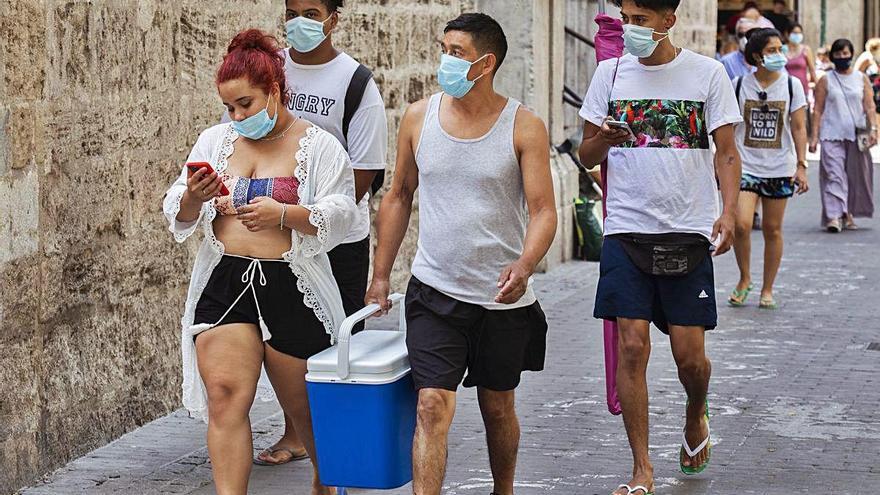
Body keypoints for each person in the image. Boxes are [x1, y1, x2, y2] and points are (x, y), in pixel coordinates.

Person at [364, 13, 557, 495]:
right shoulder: (417, 117)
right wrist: (381, 275)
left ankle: (503, 490)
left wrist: (525, 263)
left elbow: (543, 210)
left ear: (486, 63)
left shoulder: (524, 126)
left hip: (500, 299)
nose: (444, 60)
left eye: (457, 52)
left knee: (498, 407)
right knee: (431, 405)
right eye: (443, 48)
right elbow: (398, 196)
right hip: (434, 292)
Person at [163, 30, 356, 495]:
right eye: (229, 107)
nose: (236, 116)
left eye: (245, 104)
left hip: (291, 282)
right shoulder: (215, 141)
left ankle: (325, 484)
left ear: (274, 91)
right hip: (226, 279)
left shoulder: (319, 146)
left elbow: (344, 214)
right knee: (226, 397)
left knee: (304, 408)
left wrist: (285, 214)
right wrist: (193, 196)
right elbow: (180, 212)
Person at [578, 0, 743, 493]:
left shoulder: (706, 74)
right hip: (626, 229)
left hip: (687, 230)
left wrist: (728, 211)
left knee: (689, 356)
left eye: (641, 20)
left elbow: (728, 151)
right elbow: (585, 155)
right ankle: (641, 468)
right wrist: (603, 139)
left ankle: (696, 410)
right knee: (632, 346)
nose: (631, 29)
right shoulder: (609, 75)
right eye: (627, 19)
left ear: (669, 21)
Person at [249, 0, 389, 467]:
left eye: (311, 11)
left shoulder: (355, 83)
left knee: (338, 335)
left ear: (334, 18)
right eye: (292, 11)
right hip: (278, 232)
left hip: (337, 237)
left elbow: (365, 170)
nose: (299, 22)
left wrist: (317, 215)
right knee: (289, 333)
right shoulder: (271, 70)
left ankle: (340, 437)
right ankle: (297, 433)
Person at [729, 28, 809, 310]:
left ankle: (767, 288)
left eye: (780, 49)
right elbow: (730, 128)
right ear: (756, 56)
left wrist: (801, 165)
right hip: (746, 165)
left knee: (773, 230)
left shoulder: (791, 86)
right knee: (741, 224)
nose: (779, 55)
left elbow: (799, 128)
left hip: (779, 167)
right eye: (772, 51)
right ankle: (744, 278)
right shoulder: (739, 84)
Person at [810, 38, 877, 232]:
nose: (842, 57)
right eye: (838, 54)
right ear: (832, 57)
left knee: (855, 176)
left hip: (856, 135)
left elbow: (870, 106)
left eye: (845, 54)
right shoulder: (825, 80)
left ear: (851, 54)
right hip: (831, 134)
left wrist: (873, 128)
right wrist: (814, 137)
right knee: (834, 174)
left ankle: (847, 213)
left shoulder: (861, 79)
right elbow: (818, 110)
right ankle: (833, 216)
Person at [785, 24, 817, 134]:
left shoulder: (806, 50)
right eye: (794, 33)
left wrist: (816, 85)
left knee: (800, 120)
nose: (797, 35)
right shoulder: (782, 49)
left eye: (799, 33)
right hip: (785, 89)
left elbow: (812, 70)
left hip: (802, 89)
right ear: (788, 34)